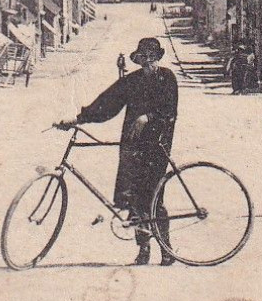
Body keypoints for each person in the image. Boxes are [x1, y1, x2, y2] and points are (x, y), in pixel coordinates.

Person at [59, 37, 178, 266]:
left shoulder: (167, 78)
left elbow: (170, 110)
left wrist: (147, 117)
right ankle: (143, 249)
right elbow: (108, 103)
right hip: (132, 145)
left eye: (151, 59)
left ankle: (167, 250)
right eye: (144, 59)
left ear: (157, 58)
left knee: (153, 197)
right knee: (133, 198)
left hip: (157, 144)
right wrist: (79, 118)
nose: (148, 64)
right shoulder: (132, 81)